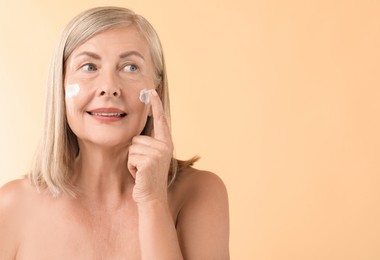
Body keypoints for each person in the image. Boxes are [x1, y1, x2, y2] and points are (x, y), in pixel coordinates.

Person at [0, 6, 229, 259]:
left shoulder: (199, 193)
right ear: (60, 88)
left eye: (130, 67)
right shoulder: (11, 206)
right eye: (89, 67)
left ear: (158, 92)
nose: (109, 88)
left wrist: (152, 201)